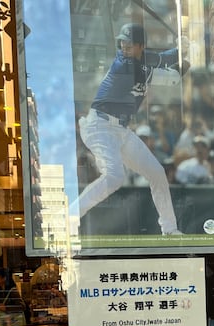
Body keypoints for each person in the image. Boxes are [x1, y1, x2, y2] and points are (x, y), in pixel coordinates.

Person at [77, 23, 184, 235]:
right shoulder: (124, 65)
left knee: (157, 173)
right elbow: (172, 76)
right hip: (99, 126)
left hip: (120, 130)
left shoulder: (140, 61)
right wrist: (185, 58)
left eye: (129, 42)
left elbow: (164, 58)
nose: (124, 45)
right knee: (115, 177)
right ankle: (70, 217)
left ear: (140, 46)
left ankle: (170, 229)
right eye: (122, 41)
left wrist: (183, 48)